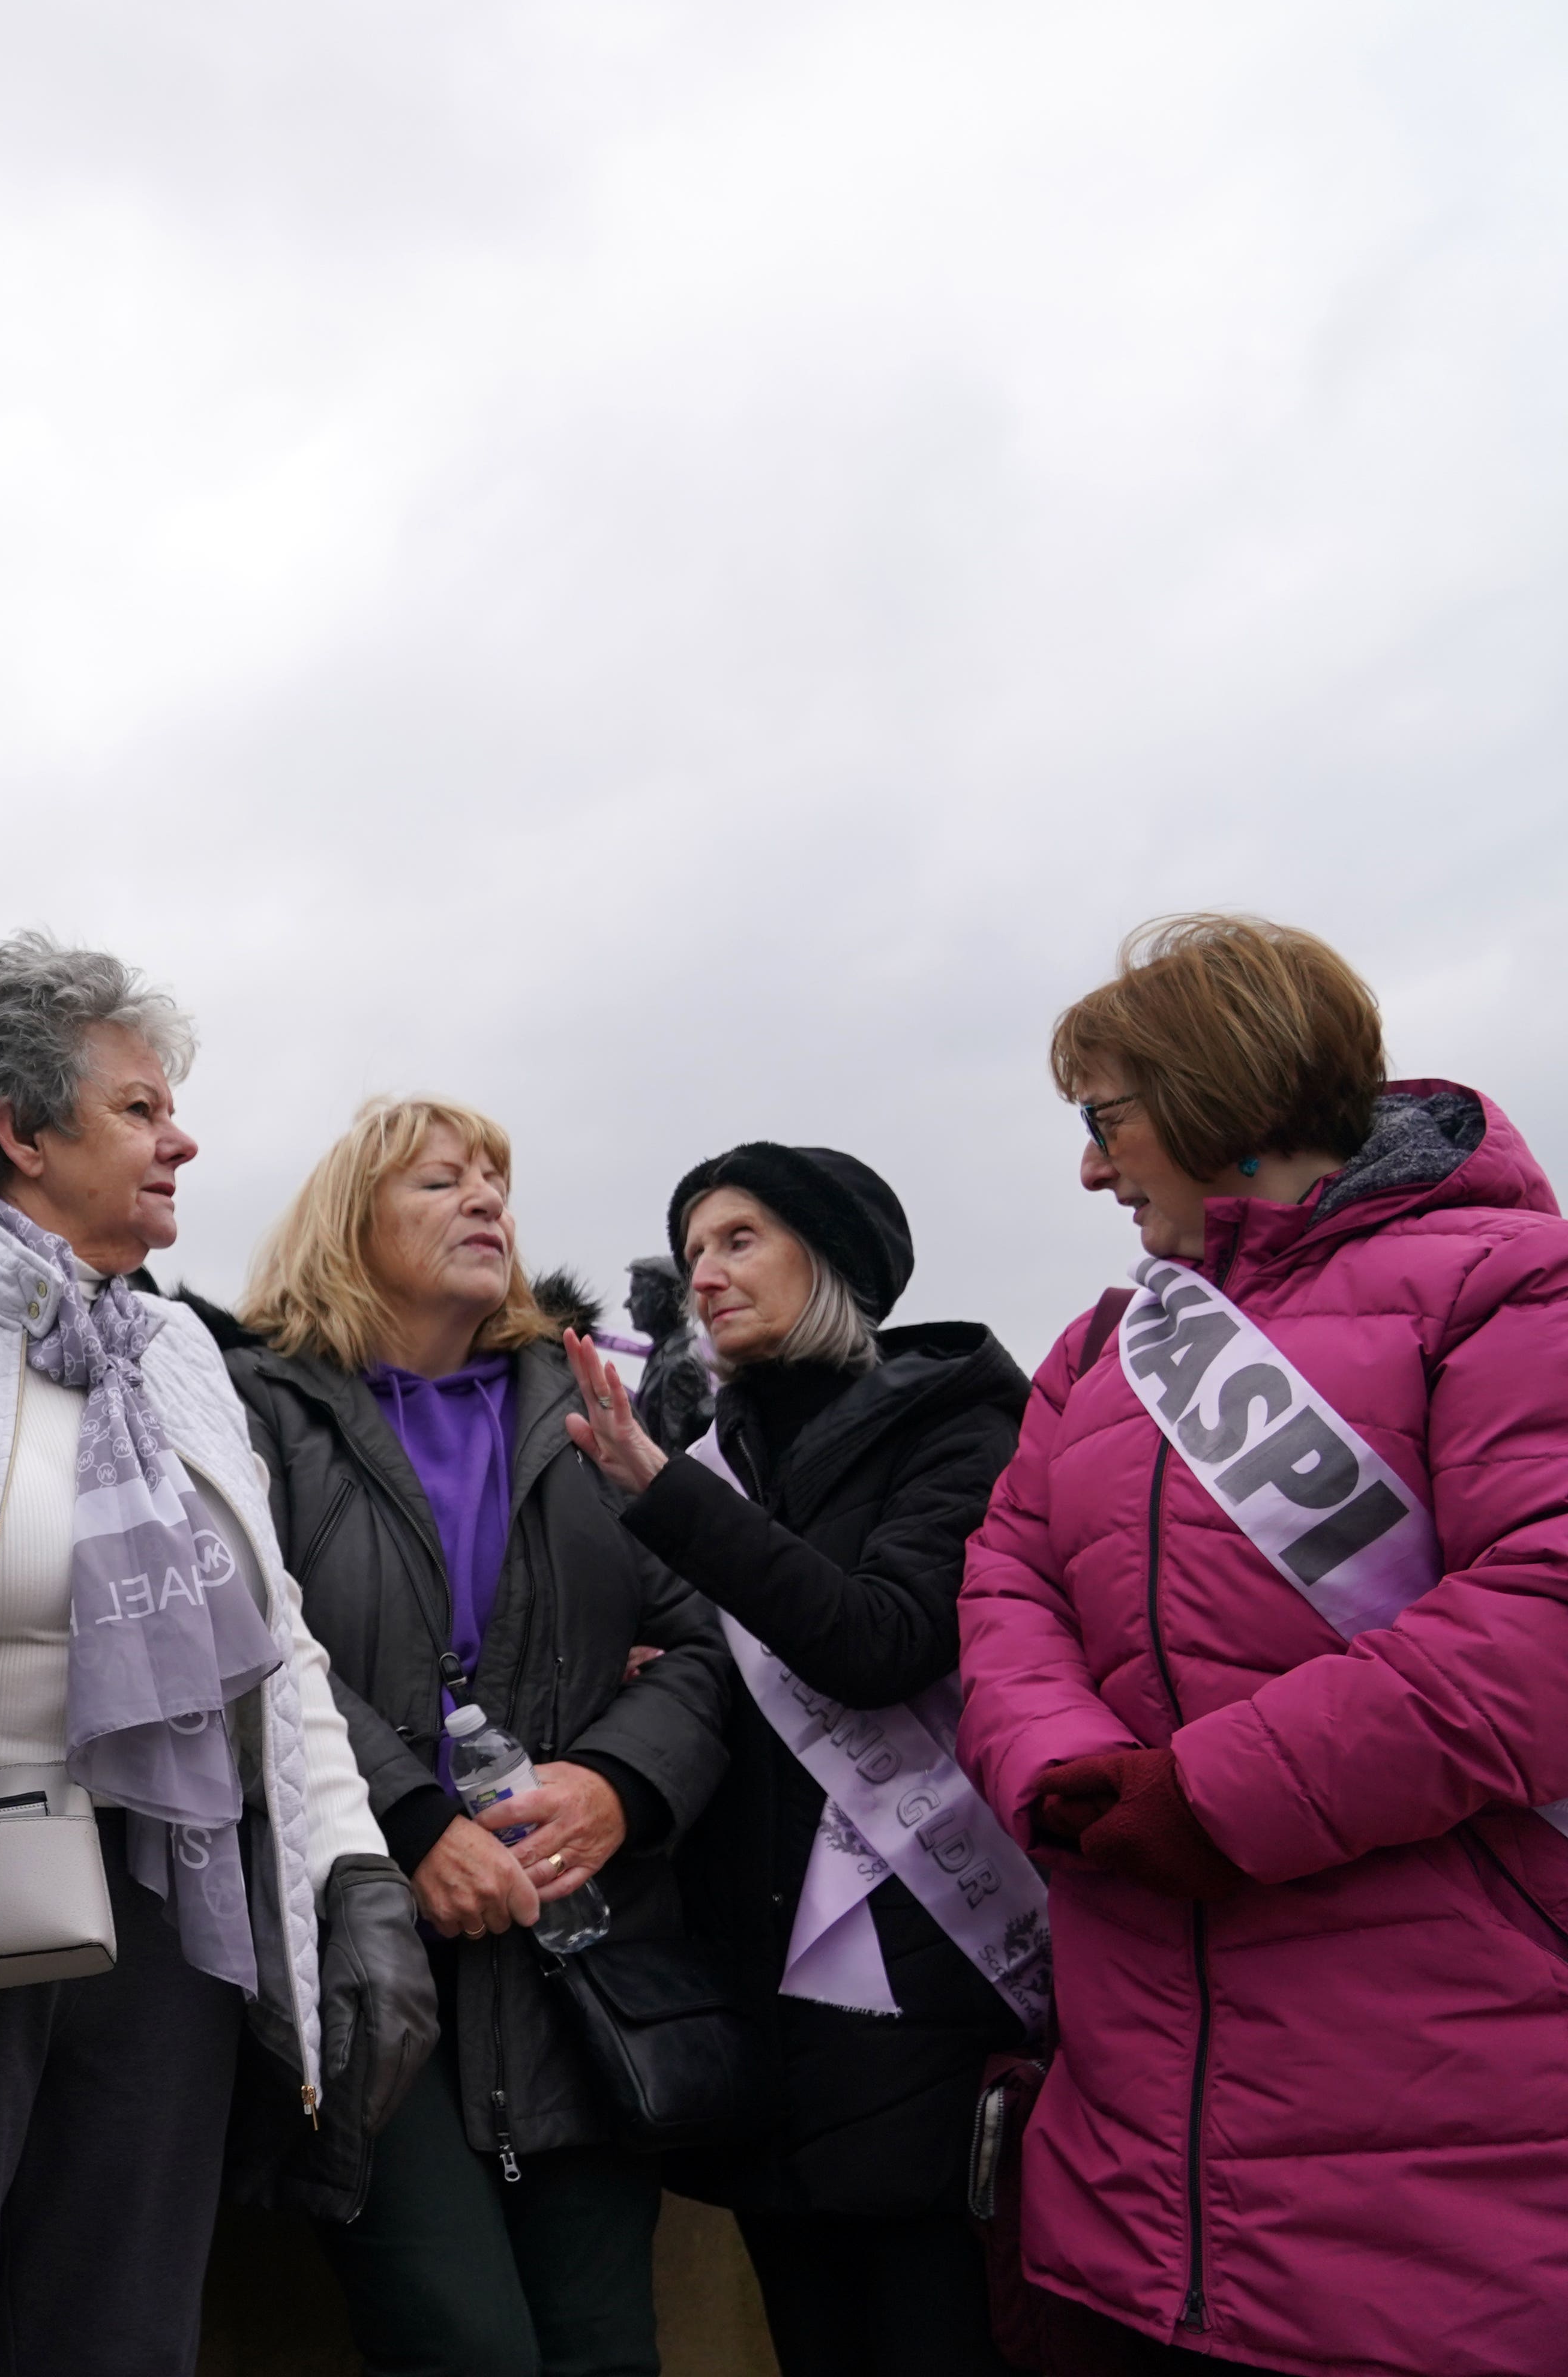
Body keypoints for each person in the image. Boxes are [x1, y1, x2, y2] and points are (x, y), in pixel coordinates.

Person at [0, 935, 436, 2377]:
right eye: (137, 1108)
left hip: (162, 1901)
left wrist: (351, 1864)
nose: (181, 1139)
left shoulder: (174, 1349)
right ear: (21, 1130)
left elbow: (273, 1640)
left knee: (118, 2336)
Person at [957, 914, 1568, 2377]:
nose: (1093, 1168)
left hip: (1445, 2157)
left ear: (1218, 1090)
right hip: (1126, 2184)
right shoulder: (1101, 1351)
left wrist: (1216, 1795)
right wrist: (1073, 1771)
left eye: (1107, 1119)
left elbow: (1544, 1610)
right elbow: (1006, 1582)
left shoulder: (1513, 1285)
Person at [225, 1095, 730, 2377]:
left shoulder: (582, 1401)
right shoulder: (261, 1407)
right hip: (364, 1957)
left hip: (580, 1959)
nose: (485, 1200)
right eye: (441, 1181)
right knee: (466, 2344)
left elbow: (709, 1644)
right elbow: (246, 1644)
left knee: (605, 2346)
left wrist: (618, 1783)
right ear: (349, 1225)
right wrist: (416, 1816)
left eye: (496, 1179)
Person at [559, 1146, 1036, 2377]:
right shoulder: (717, 1448)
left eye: (739, 1239)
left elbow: (875, 1640)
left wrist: (665, 1494)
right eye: (693, 1248)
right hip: (756, 1978)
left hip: (913, 1974)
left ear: (829, 1258)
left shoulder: (963, 1422)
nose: (704, 1273)